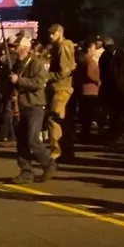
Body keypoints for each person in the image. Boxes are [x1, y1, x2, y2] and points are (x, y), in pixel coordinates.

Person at [8, 36, 55, 183]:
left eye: (16, 47)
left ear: (25, 48)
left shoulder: (36, 63)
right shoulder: (17, 64)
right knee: (21, 140)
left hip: (34, 105)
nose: (14, 50)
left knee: (32, 138)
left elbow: (39, 83)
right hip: (20, 105)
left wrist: (19, 80)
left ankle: (48, 163)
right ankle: (26, 171)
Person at [46, 24, 76, 160]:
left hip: (61, 88)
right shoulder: (62, 46)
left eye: (53, 33)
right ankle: (66, 150)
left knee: (54, 119)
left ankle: (56, 151)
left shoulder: (63, 46)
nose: (51, 36)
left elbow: (64, 71)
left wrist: (48, 76)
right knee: (63, 121)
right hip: (62, 87)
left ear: (59, 32)